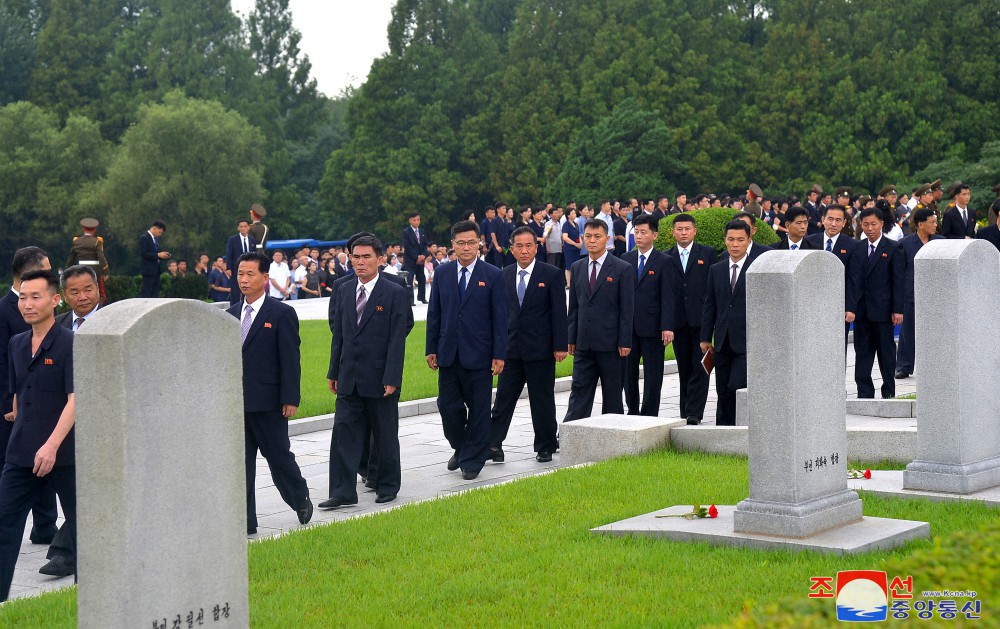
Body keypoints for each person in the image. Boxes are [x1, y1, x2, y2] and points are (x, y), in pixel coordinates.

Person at [0, 269, 76, 601]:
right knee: (4, 522)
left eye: (36, 297)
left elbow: (76, 399)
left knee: (83, 528)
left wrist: (52, 444)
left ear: (55, 300)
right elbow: (19, 389)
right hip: (21, 453)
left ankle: (88, 600)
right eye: (23, 298)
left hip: (65, 453)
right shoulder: (17, 343)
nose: (28, 304)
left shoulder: (71, 343)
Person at [321, 235, 412, 508]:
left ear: (380, 259)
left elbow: (398, 337)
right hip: (349, 375)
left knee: (384, 435)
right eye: (355, 257)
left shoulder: (394, 291)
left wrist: (392, 377)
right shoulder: (343, 288)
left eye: (366, 257)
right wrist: (334, 371)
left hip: (381, 377)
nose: (360, 262)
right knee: (343, 434)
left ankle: (387, 485)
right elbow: (339, 334)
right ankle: (342, 491)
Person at [228, 252, 312, 535]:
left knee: (278, 457)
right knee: (240, 466)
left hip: (269, 403)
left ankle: (299, 498)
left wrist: (290, 398)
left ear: (266, 278)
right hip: (236, 405)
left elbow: (290, 359)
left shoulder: (281, 314)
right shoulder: (229, 316)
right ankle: (245, 521)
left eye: (250, 274)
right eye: (240, 273)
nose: (244, 279)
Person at [425, 220, 507, 481]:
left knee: (480, 409)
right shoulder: (443, 273)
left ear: (479, 243)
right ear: (453, 245)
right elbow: (434, 313)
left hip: (480, 354)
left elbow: (500, 319)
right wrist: (431, 348)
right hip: (448, 353)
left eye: (471, 242)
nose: (466, 247)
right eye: (461, 243)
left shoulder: (493, 274)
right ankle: (461, 447)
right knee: (448, 407)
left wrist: (499, 354)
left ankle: (472, 460)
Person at [488, 227, 567, 464]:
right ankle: (493, 444)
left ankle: (545, 445)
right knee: (503, 398)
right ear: (511, 250)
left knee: (541, 399)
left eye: (528, 246)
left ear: (536, 247)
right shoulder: (502, 275)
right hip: (510, 350)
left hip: (540, 349)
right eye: (519, 246)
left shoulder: (551, 274)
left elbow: (558, 313)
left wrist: (560, 345)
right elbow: (498, 315)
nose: (524, 251)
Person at [0, 248, 59, 547]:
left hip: (47, 407)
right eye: (47, 268)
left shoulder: (49, 304)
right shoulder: (3, 310)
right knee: (14, 470)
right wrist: (8, 404)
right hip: (12, 409)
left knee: (45, 466)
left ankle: (45, 527)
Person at [564, 219, 634, 421]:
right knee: (579, 390)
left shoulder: (622, 268)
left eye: (597, 236)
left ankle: (613, 431)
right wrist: (572, 337)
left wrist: (624, 341)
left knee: (612, 393)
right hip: (584, 343)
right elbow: (574, 307)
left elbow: (627, 309)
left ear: (607, 239)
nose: (592, 241)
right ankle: (573, 430)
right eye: (588, 236)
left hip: (612, 344)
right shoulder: (577, 267)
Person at [845, 208, 905, 399]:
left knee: (886, 354)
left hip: (884, 310)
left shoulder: (893, 248)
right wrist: (850, 307)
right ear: (860, 225)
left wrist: (898, 309)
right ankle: (864, 392)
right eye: (866, 224)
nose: (870, 228)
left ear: (881, 224)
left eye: (874, 224)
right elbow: (853, 280)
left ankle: (888, 391)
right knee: (862, 353)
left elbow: (898, 281)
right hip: (862, 312)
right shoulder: (857, 248)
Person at [700, 220, 755, 425]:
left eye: (740, 240)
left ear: (749, 241)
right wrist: (705, 337)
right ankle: (722, 430)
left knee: (736, 386)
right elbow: (709, 304)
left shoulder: (756, 269)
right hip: (722, 341)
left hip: (746, 341)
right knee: (722, 389)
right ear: (725, 240)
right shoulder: (717, 269)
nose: (735, 244)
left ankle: (741, 426)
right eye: (731, 239)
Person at [623, 214, 676, 416]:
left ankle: (650, 413)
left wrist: (667, 326)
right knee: (629, 373)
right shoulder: (626, 259)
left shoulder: (664, 261)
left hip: (654, 327)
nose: (639, 236)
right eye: (636, 232)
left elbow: (668, 296)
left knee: (654, 374)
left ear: (654, 235)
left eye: (643, 232)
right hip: (629, 327)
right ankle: (633, 410)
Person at [666, 215, 716, 425]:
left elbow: (712, 290)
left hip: (701, 321)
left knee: (701, 367)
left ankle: (695, 412)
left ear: (695, 231)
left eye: (687, 228)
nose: (683, 232)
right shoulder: (667, 257)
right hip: (678, 322)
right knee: (684, 367)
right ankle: (685, 409)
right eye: (679, 229)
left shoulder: (708, 253)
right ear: (673, 232)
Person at [895, 209, 943, 379]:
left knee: (937, 332)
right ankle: (903, 366)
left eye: (936, 222)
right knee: (908, 332)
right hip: (911, 295)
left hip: (935, 296)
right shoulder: (905, 244)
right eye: (932, 222)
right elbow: (900, 273)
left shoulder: (940, 242)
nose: (935, 225)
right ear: (921, 224)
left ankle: (937, 366)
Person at [65, 217, 109, 302]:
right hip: (95, 271)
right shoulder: (96, 241)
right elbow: (101, 257)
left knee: (82, 291)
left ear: (83, 229)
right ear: (94, 229)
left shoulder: (77, 242)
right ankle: (96, 310)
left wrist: (67, 272)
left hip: (81, 270)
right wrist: (105, 271)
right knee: (100, 294)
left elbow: (71, 259)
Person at [226, 219, 257, 305]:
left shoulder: (252, 240)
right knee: (235, 291)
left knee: (248, 289)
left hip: (249, 269)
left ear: (248, 227)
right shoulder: (233, 239)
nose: (243, 228)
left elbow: (254, 255)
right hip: (236, 269)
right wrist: (228, 268)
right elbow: (229, 254)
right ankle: (234, 310)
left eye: (245, 226)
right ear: (238, 228)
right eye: (241, 227)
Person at [402, 212, 430, 304]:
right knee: (409, 279)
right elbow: (407, 246)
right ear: (410, 221)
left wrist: (423, 255)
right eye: (414, 220)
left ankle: (422, 297)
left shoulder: (422, 231)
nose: (416, 222)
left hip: (420, 260)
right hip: (410, 260)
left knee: (422, 277)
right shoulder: (406, 232)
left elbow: (425, 244)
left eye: (418, 220)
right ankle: (410, 300)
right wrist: (416, 256)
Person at [139, 220, 169, 298]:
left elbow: (155, 254)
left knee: (155, 293)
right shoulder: (144, 238)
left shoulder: (155, 240)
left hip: (156, 270)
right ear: (155, 228)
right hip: (148, 270)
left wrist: (162, 255)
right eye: (160, 232)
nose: (160, 234)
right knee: (147, 292)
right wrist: (158, 255)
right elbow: (144, 254)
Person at [561, 206, 582, 285]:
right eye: (572, 213)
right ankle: (569, 283)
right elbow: (565, 237)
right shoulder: (566, 224)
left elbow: (578, 235)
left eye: (574, 212)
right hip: (569, 248)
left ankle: (575, 281)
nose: (574, 214)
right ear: (568, 215)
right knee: (569, 266)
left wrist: (580, 243)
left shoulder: (576, 224)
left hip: (577, 248)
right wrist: (575, 244)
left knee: (576, 265)